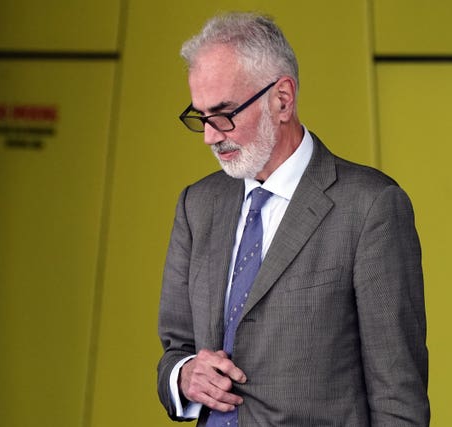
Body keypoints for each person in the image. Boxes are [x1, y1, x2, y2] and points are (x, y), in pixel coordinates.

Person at [157, 12, 429, 426]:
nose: (211, 135)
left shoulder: (371, 207)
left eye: (224, 112)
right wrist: (184, 375)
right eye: (200, 116)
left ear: (282, 99)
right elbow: (175, 350)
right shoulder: (198, 205)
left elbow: (398, 398)